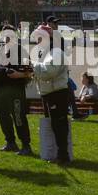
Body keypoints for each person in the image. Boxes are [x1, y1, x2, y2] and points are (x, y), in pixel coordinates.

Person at [31, 20, 72, 164]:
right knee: (53, 124)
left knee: (59, 124)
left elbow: (49, 72)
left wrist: (33, 65)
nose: (38, 41)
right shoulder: (44, 54)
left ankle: (63, 155)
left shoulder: (56, 52)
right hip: (48, 93)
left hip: (57, 93)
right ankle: (58, 153)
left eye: (40, 38)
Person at [0, 59, 33, 155]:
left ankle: (26, 145)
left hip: (16, 90)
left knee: (18, 117)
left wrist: (18, 74)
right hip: (0, 90)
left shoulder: (20, 51)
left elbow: (30, 72)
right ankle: (10, 142)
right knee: (2, 116)